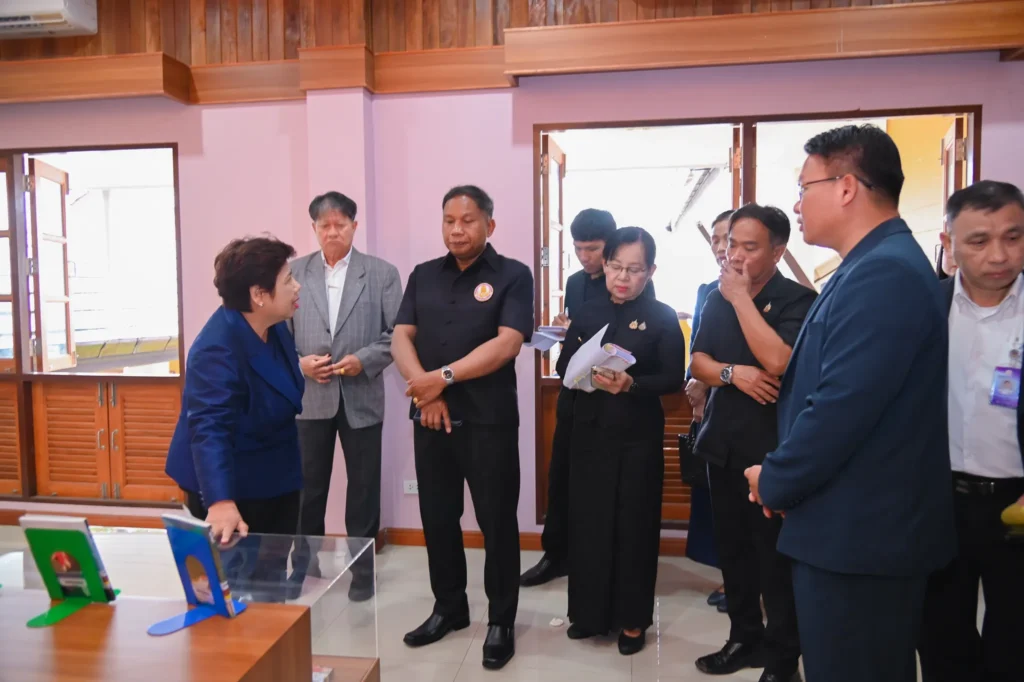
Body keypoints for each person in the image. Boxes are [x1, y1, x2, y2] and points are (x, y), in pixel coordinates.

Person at [744, 124, 956, 682]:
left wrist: (775, 479)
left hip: (862, 537)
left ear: (845, 187)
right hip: (852, 527)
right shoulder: (872, 264)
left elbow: (840, 410)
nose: (797, 204)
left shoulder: (882, 273)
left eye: (804, 187)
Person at [393, 185, 533, 670]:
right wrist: (425, 390)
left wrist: (442, 379)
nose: (457, 229)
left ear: (489, 225)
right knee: (437, 517)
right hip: (431, 419)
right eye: (449, 220)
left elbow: (508, 343)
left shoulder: (514, 275)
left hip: (489, 421)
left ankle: (501, 620)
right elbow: (401, 337)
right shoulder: (423, 274)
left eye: (468, 220)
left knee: (497, 522)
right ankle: (449, 608)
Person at [690, 204, 814, 682]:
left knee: (774, 564)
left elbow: (779, 360)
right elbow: (698, 362)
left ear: (778, 252)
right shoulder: (714, 296)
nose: (734, 255)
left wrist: (741, 299)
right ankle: (744, 639)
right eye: (730, 244)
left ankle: (783, 662)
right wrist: (732, 373)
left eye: (748, 246)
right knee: (734, 555)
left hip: (771, 454)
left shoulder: (798, 300)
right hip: (721, 444)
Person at [557, 227, 685, 656]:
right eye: (615, 267)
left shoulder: (662, 317)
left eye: (634, 269)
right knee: (588, 522)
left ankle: (632, 620)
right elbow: (564, 365)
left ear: (650, 271)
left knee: (634, 527)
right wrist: (583, 373)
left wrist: (632, 384)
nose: (622, 277)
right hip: (589, 432)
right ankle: (588, 614)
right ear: (605, 265)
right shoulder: (588, 311)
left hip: (637, 437)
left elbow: (673, 378)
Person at [919, 180, 1024, 682]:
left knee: (1015, 640)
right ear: (949, 244)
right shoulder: (924, 309)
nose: (999, 255)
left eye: (1013, 237)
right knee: (941, 636)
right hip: (939, 500)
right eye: (980, 240)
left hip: (1018, 506)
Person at [165, 237, 304, 600]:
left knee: (270, 583)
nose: (297, 286)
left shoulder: (273, 325)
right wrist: (221, 501)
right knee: (234, 591)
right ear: (259, 295)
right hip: (231, 482)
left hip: (276, 472)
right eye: (288, 280)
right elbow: (208, 429)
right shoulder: (217, 346)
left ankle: (275, 636)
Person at [289, 191, 402, 602]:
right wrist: (300, 364)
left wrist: (364, 359)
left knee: (363, 491)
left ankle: (362, 572)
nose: (332, 232)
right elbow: (276, 333)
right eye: (325, 225)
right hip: (309, 399)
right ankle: (304, 565)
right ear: (314, 229)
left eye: (340, 224)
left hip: (362, 396)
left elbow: (398, 334)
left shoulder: (382, 273)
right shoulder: (293, 272)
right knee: (307, 491)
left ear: (355, 226)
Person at [523, 208, 625, 587]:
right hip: (573, 389)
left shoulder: (627, 281)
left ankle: (598, 558)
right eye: (578, 248)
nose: (585, 257)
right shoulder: (575, 281)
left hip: (610, 395)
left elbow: (627, 340)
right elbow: (577, 334)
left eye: (592, 249)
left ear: (610, 245)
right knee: (560, 475)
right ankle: (556, 555)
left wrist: (583, 335)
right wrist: (564, 331)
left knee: (601, 482)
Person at [684, 209, 734, 612]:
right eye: (716, 238)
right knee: (716, 500)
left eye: (728, 238)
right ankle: (730, 576)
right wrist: (696, 384)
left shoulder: (775, 294)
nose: (720, 246)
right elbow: (697, 347)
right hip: (708, 408)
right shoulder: (707, 290)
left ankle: (749, 583)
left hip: (745, 405)